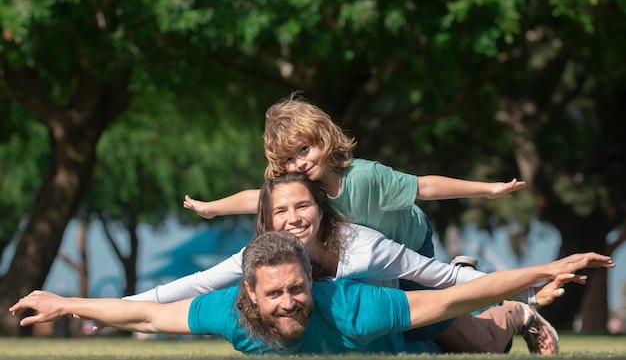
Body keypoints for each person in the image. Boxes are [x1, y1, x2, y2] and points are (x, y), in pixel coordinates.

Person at [130, 174, 554, 353]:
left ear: (321, 208)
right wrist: (121, 307)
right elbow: (195, 285)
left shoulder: (363, 246)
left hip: (408, 297)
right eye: (281, 211)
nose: (293, 218)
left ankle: (517, 315)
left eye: (303, 206)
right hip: (371, 330)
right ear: (267, 219)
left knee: (480, 345)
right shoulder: (261, 258)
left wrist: (526, 290)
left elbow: (439, 276)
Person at [10, 231, 613, 355]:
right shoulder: (231, 314)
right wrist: (63, 303)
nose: (290, 301)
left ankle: (516, 317)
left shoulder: (348, 304)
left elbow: (454, 298)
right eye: (275, 295)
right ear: (249, 293)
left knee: (483, 341)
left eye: (296, 289)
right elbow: (143, 311)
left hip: (404, 326)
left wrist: (540, 270)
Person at [184, 92, 526, 259]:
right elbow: (257, 197)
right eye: (289, 159)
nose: (299, 164)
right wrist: (212, 207)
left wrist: (488, 190)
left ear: (323, 139)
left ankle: (460, 280)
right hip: (370, 253)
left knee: (430, 311)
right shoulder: (304, 191)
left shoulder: (366, 176)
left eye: (304, 150)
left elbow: (425, 186)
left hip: (411, 241)